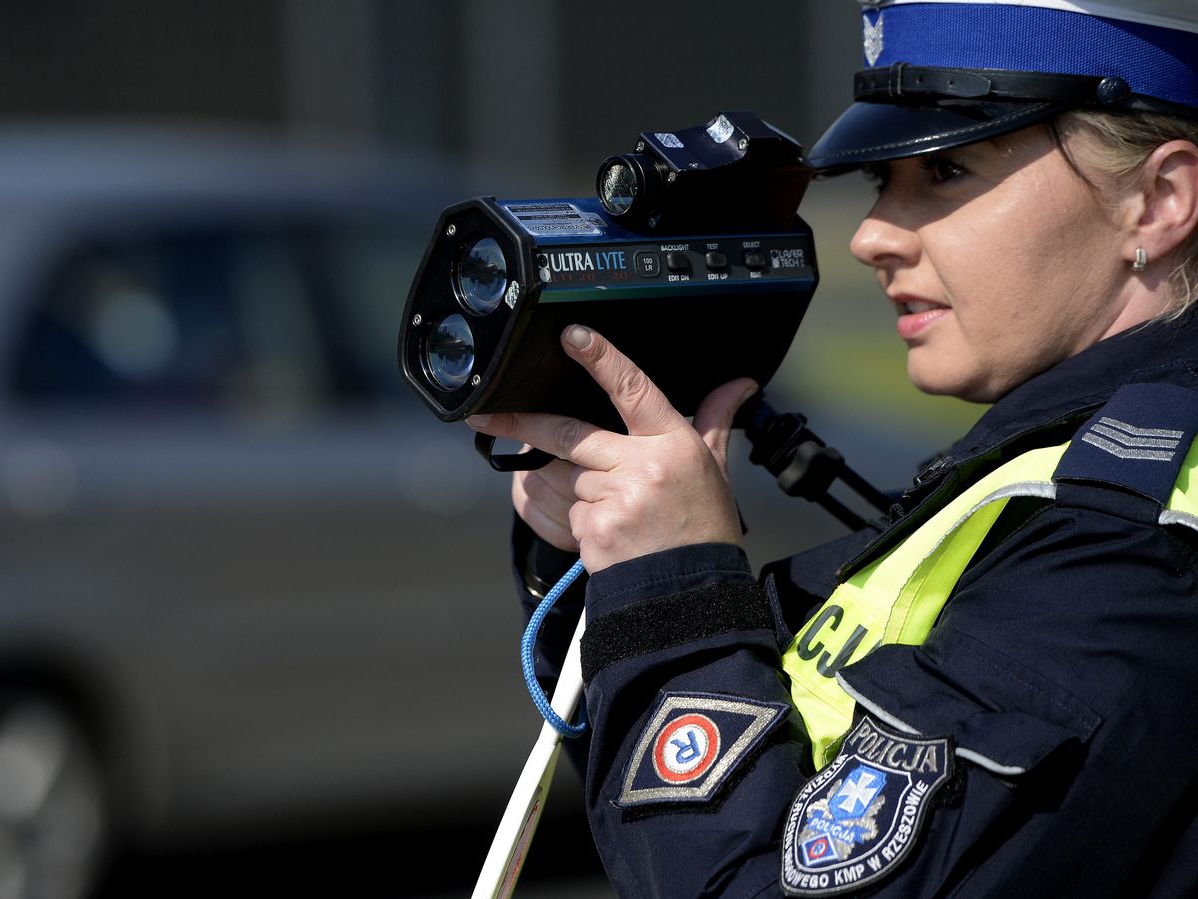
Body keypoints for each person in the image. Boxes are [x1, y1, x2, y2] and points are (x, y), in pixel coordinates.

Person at [467, 1, 1198, 895]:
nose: (871, 235)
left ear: (1158, 200)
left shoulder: (1129, 545)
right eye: (883, 182)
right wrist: (600, 558)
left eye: (946, 170)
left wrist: (678, 585)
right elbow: (687, 814)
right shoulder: (1055, 465)